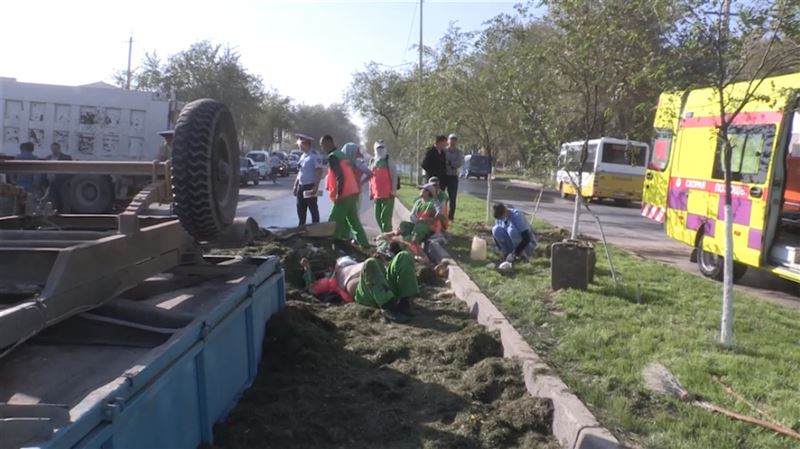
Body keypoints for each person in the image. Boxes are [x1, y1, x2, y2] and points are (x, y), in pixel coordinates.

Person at [303, 241, 419, 322]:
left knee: (403, 256)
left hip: (384, 286)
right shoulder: (331, 278)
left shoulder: (358, 263)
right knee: (370, 263)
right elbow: (311, 289)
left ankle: (405, 302)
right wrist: (307, 270)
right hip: (366, 294)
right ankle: (388, 308)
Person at [324, 136, 370, 248]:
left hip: (345, 193)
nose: (322, 147)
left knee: (333, 222)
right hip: (353, 192)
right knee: (353, 221)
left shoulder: (333, 156)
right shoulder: (343, 156)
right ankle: (365, 245)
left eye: (323, 144)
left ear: (328, 143)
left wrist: (339, 193)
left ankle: (330, 247)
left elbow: (340, 176)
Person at [293, 133, 324, 225]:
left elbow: (319, 171)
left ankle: (316, 227)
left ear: (306, 143)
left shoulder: (314, 155)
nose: (299, 146)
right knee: (300, 207)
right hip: (301, 186)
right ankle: (301, 226)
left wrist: (316, 186)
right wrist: (295, 185)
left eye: (300, 144)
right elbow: (300, 172)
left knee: (312, 207)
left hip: (310, 186)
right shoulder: (303, 156)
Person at [369, 139, 399, 233]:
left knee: (385, 217)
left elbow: (394, 176)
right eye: (378, 148)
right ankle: (383, 234)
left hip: (388, 194)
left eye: (382, 147)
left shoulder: (389, 160)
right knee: (377, 216)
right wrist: (371, 192)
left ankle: (387, 236)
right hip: (376, 194)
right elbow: (370, 178)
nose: (380, 150)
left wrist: (393, 191)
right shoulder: (372, 161)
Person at [43, 142, 73, 211]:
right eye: (53, 149)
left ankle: (66, 217)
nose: (54, 150)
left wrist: (68, 180)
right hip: (51, 183)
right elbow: (44, 172)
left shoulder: (66, 158)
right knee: (53, 202)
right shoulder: (48, 158)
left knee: (65, 201)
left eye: (56, 149)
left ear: (59, 149)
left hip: (62, 183)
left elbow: (71, 170)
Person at [443, 133, 463, 221]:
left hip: (453, 176)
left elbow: (458, 163)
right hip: (444, 176)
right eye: (451, 139)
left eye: (454, 140)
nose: (453, 141)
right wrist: (449, 163)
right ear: (448, 141)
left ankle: (451, 217)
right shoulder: (444, 151)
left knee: (452, 197)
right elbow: (442, 162)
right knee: (442, 196)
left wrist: (451, 163)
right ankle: (441, 215)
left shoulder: (459, 153)